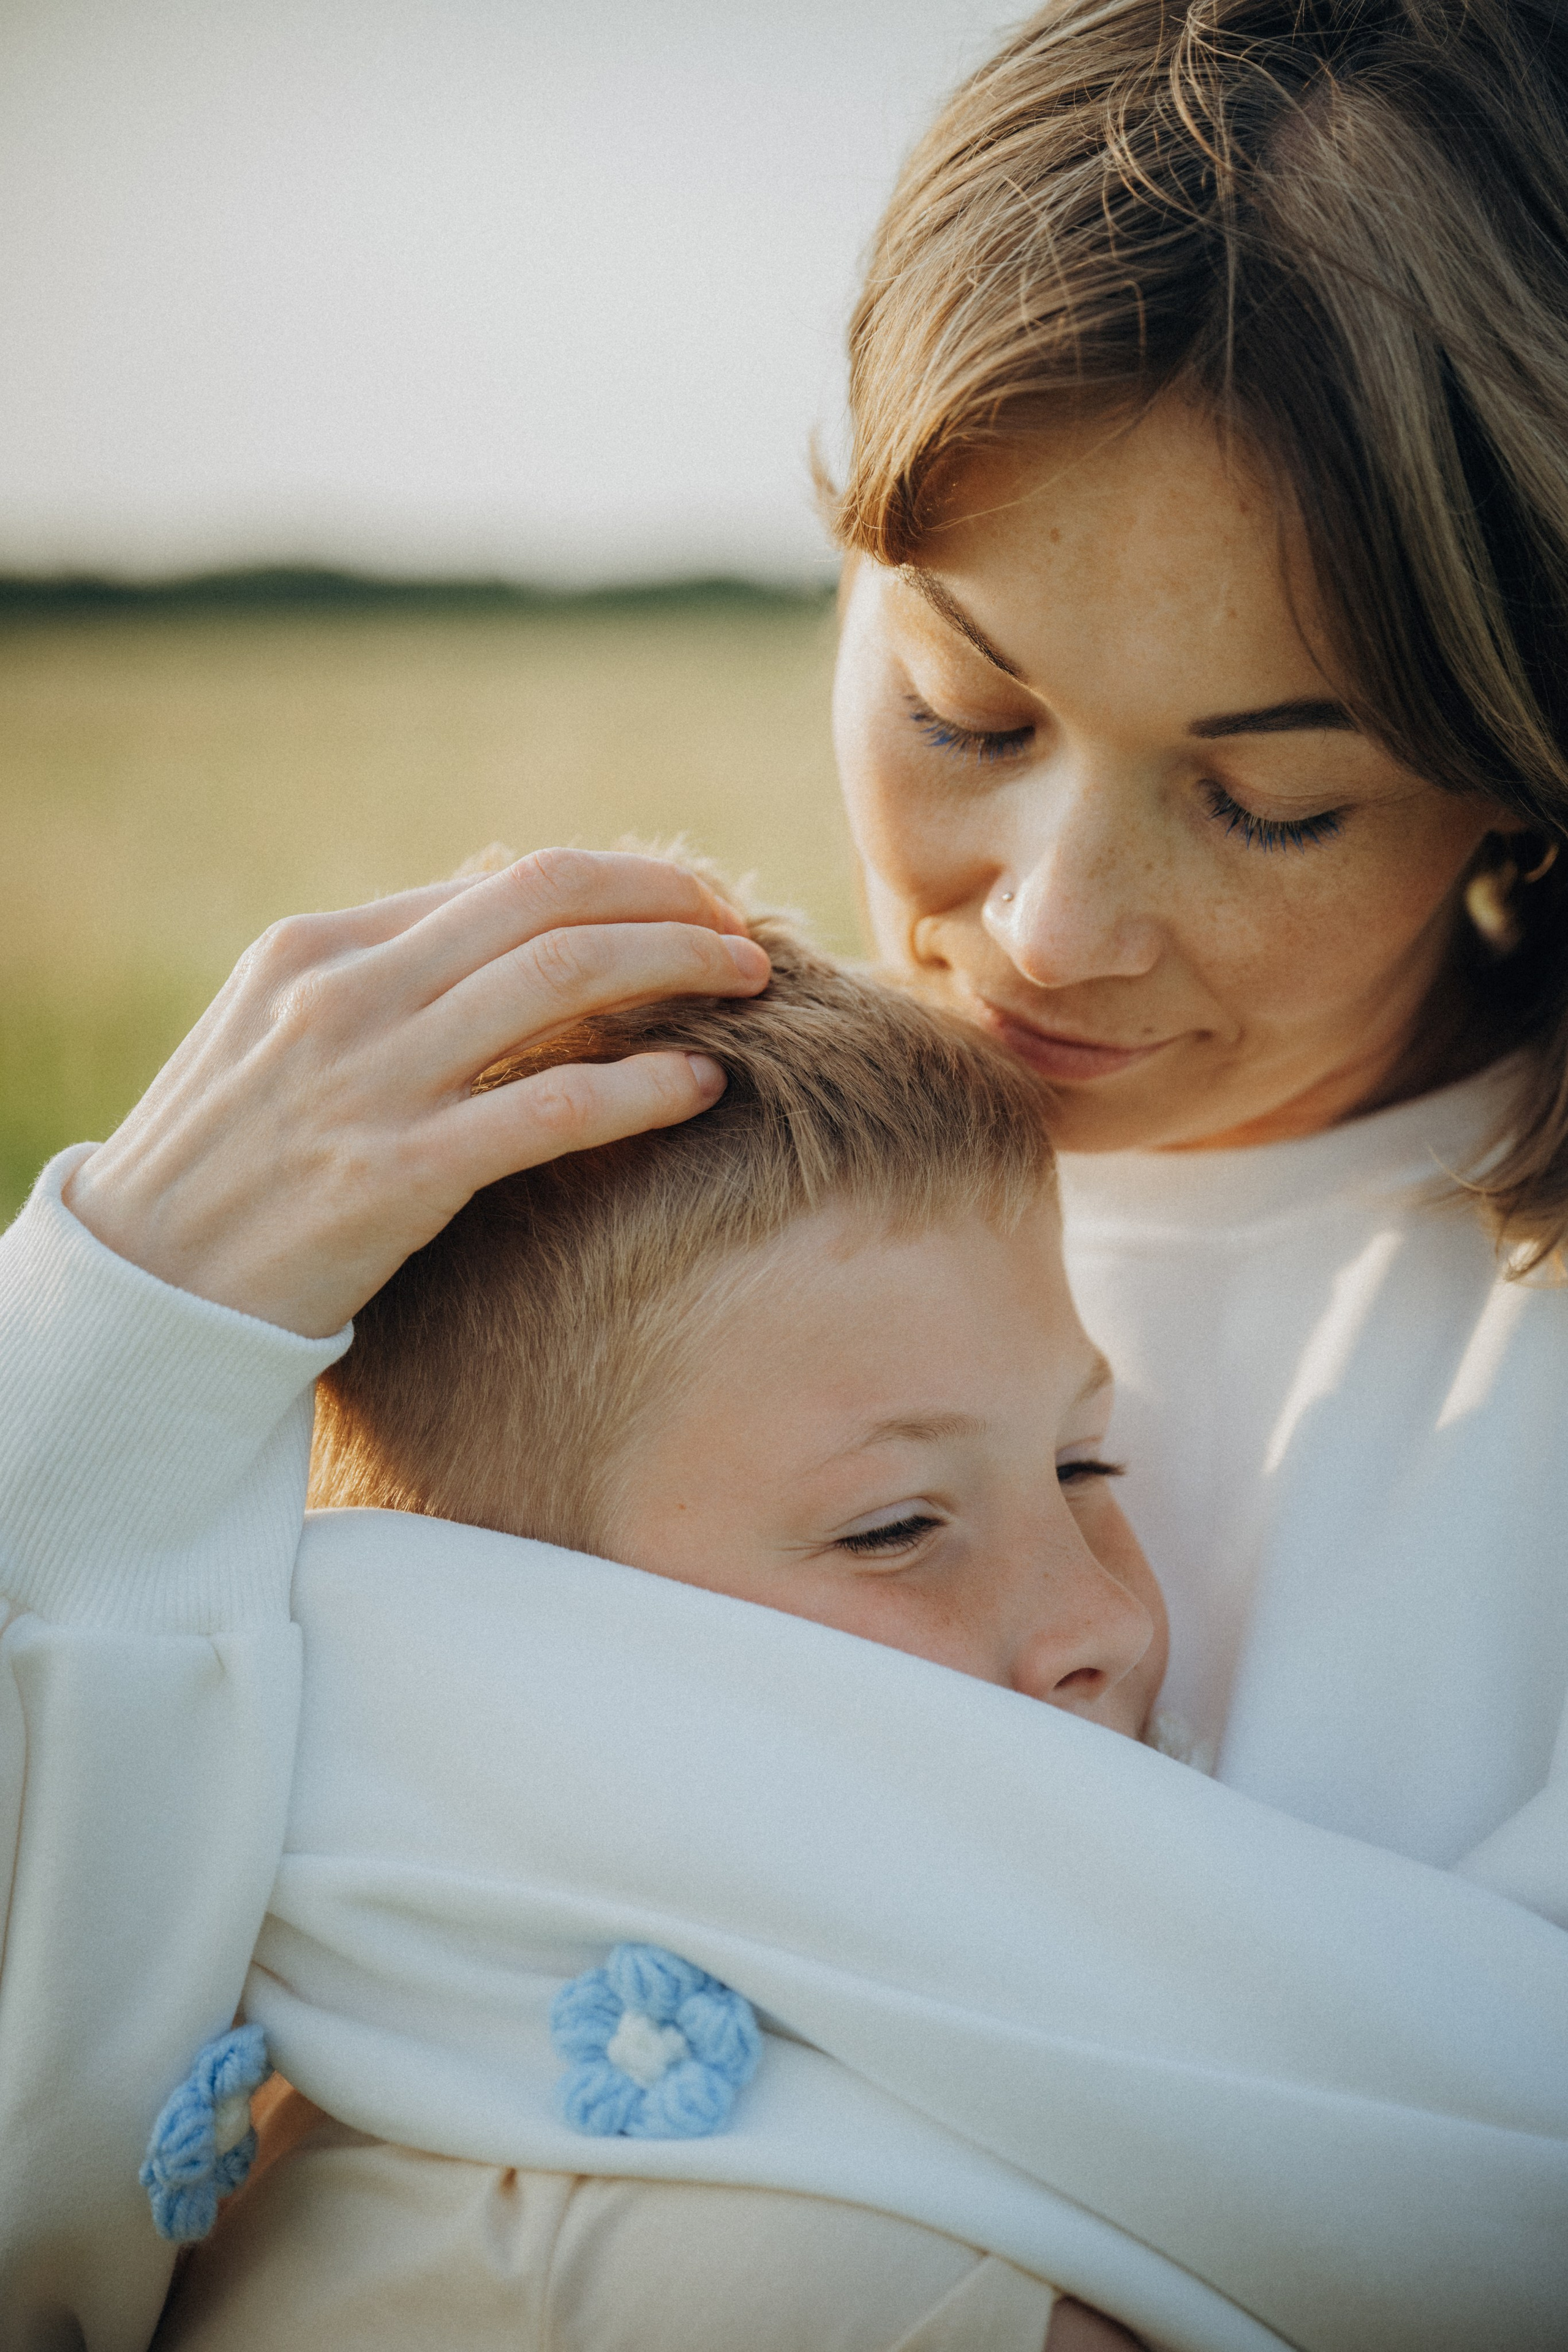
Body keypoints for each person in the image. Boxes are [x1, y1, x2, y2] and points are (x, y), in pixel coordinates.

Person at [3, 1, 1568, 2346]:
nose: (1045, 926)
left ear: (1520, 775)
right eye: (969, 712)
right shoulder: (584, 1216)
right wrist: (118, 1363)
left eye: (1270, 798)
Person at [151, 908, 1166, 2352]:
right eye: (890, 1529)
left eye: (1084, 1466)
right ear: (502, 1644)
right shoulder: (828, 2288)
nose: (1107, 1621)